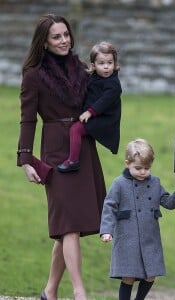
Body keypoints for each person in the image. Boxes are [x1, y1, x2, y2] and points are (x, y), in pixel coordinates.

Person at [17, 14, 107, 300]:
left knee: (70, 226)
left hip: (82, 147)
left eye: (66, 34)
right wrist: (25, 159)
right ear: (44, 42)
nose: (64, 40)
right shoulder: (33, 75)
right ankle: (80, 293)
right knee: (68, 223)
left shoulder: (81, 69)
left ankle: (50, 291)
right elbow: (27, 120)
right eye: (56, 36)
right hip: (55, 151)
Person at [100, 138, 175, 300]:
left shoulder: (155, 182)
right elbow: (109, 207)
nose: (143, 172)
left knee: (151, 276)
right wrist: (106, 230)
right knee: (128, 277)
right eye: (138, 168)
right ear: (127, 163)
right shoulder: (119, 184)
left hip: (150, 239)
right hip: (128, 239)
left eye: (147, 168)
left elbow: (168, 203)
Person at [57, 41, 122, 173]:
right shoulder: (94, 77)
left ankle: (73, 161)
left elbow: (104, 101)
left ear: (114, 63)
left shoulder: (114, 85)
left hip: (104, 119)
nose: (106, 67)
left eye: (110, 63)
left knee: (76, 129)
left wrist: (90, 112)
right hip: (96, 115)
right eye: (101, 63)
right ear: (93, 65)